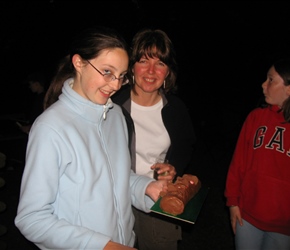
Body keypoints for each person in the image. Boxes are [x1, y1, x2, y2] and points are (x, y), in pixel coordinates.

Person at [14, 26, 176, 250]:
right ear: (79, 63)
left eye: (121, 76)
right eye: (107, 72)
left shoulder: (116, 116)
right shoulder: (51, 128)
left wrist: (147, 188)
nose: (115, 85)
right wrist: (103, 246)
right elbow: (32, 218)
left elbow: (117, 178)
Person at [112, 28, 196, 250]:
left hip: (157, 199)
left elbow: (185, 144)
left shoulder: (176, 108)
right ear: (131, 66)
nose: (151, 71)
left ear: (168, 71)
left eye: (160, 63)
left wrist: (173, 166)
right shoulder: (112, 105)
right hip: (115, 198)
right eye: (143, 61)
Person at [224, 58, 290, 250]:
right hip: (248, 216)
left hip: (284, 226)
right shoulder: (256, 118)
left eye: (271, 80)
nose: (263, 84)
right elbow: (238, 163)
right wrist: (233, 203)